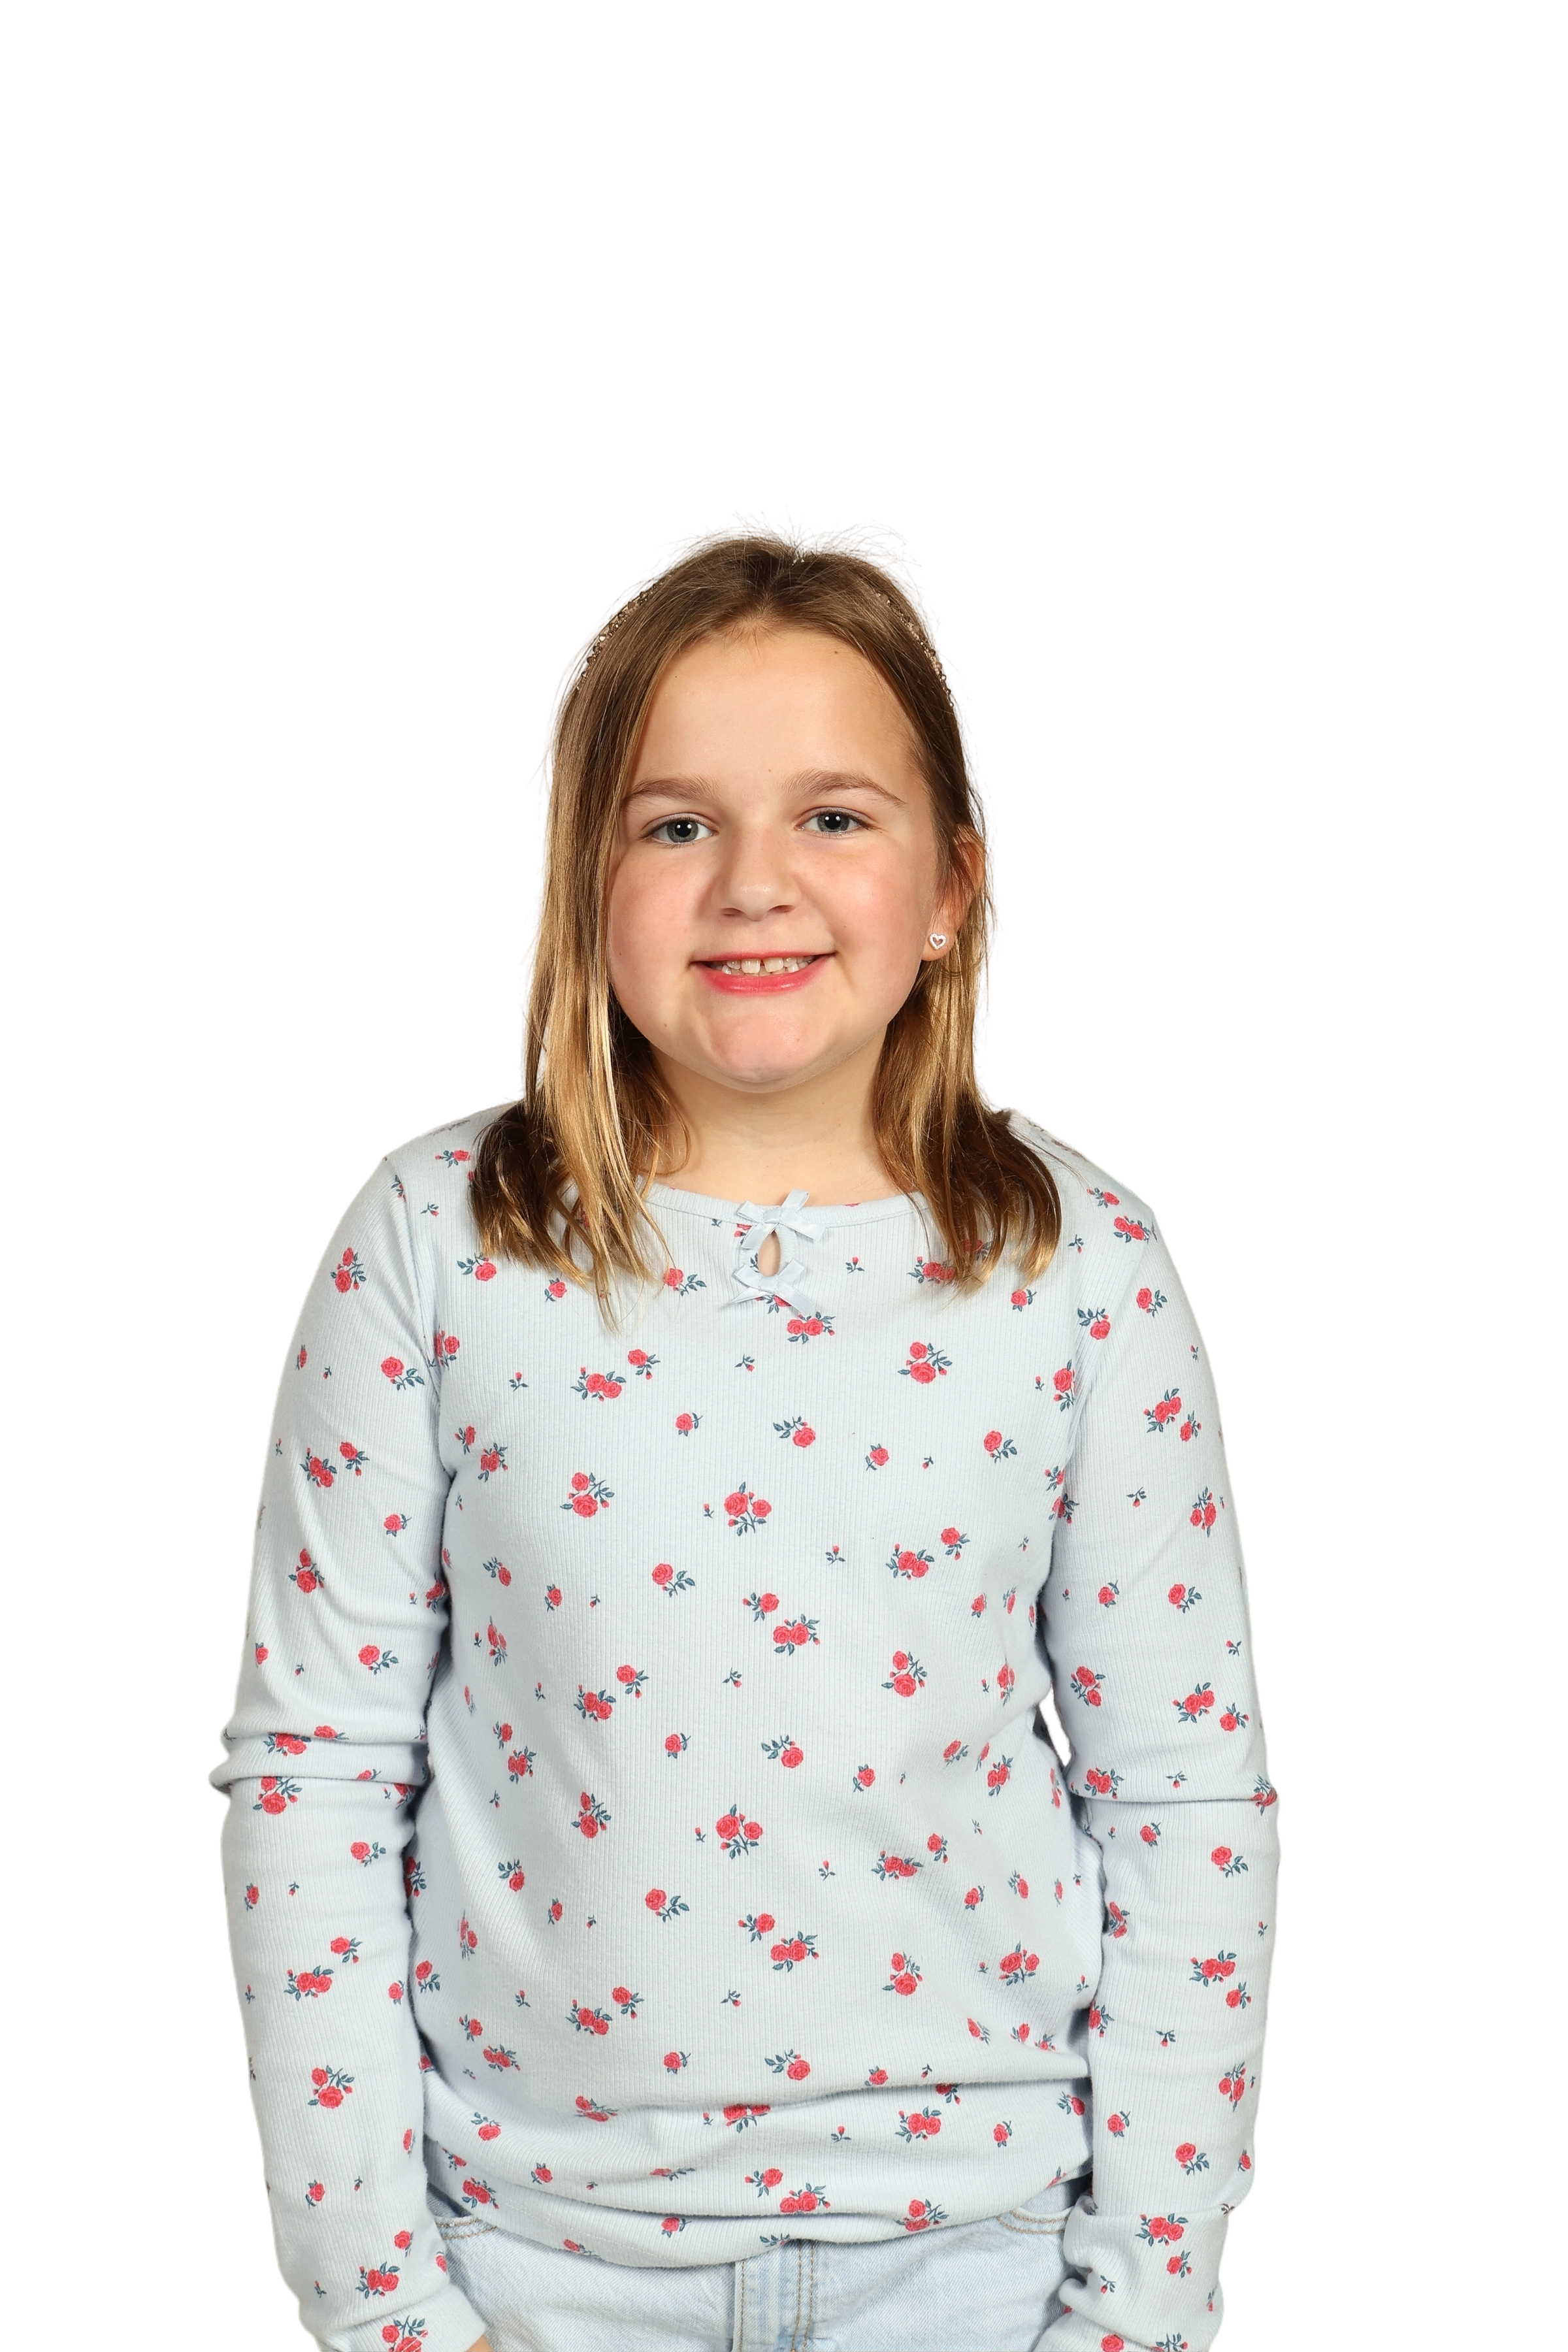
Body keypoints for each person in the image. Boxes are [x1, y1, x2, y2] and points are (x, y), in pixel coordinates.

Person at [208, 515, 1279, 2352]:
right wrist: (382, 2298)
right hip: (534, 2265)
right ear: (583, 878)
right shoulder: (436, 1246)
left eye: (833, 815)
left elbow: (1181, 1792)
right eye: (676, 824)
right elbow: (315, 1769)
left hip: (981, 2261)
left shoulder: (1082, 1267)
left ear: (952, 884)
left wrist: (1142, 2299)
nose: (754, 885)